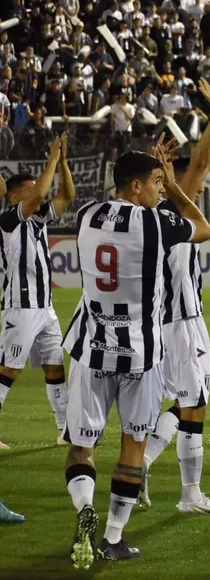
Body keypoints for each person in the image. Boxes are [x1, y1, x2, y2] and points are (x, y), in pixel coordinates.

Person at [62, 147, 210, 569]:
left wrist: (166, 182)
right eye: (156, 183)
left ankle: (83, 506)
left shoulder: (86, 214)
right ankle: (112, 536)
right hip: (141, 352)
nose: (160, 190)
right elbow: (203, 227)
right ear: (135, 185)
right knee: (133, 443)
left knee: (81, 446)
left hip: (91, 348)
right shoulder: (159, 222)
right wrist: (179, 188)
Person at [141, 81, 210, 514]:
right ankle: (189, 495)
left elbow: (206, 160)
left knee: (184, 401)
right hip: (182, 321)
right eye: (190, 180)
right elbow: (201, 161)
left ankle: (142, 463)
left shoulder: (160, 209)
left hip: (169, 320)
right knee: (194, 404)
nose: (200, 183)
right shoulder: (174, 208)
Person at [0, 136, 75, 448]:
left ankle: (64, 429)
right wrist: (52, 161)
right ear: (16, 196)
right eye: (30, 188)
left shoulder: (38, 220)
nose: (38, 192)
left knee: (55, 365)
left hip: (45, 307)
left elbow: (67, 195)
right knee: (9, 369)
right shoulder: (8, 221)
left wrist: (64, 162)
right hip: (21, 306)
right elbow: (44, 192)